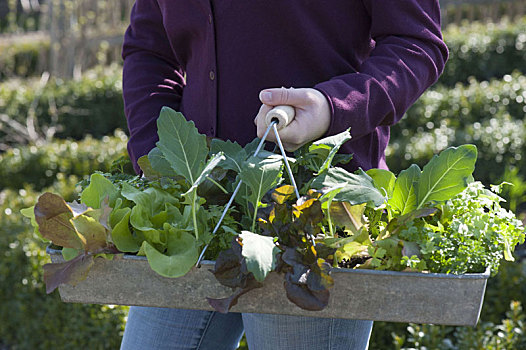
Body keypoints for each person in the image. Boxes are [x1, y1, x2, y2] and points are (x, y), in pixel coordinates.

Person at [119, 1, 448, 349]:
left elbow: (415, 43)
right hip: (195, 211)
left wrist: (331, 107)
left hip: (314, 219)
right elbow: (149, 50)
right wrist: (157, 153)